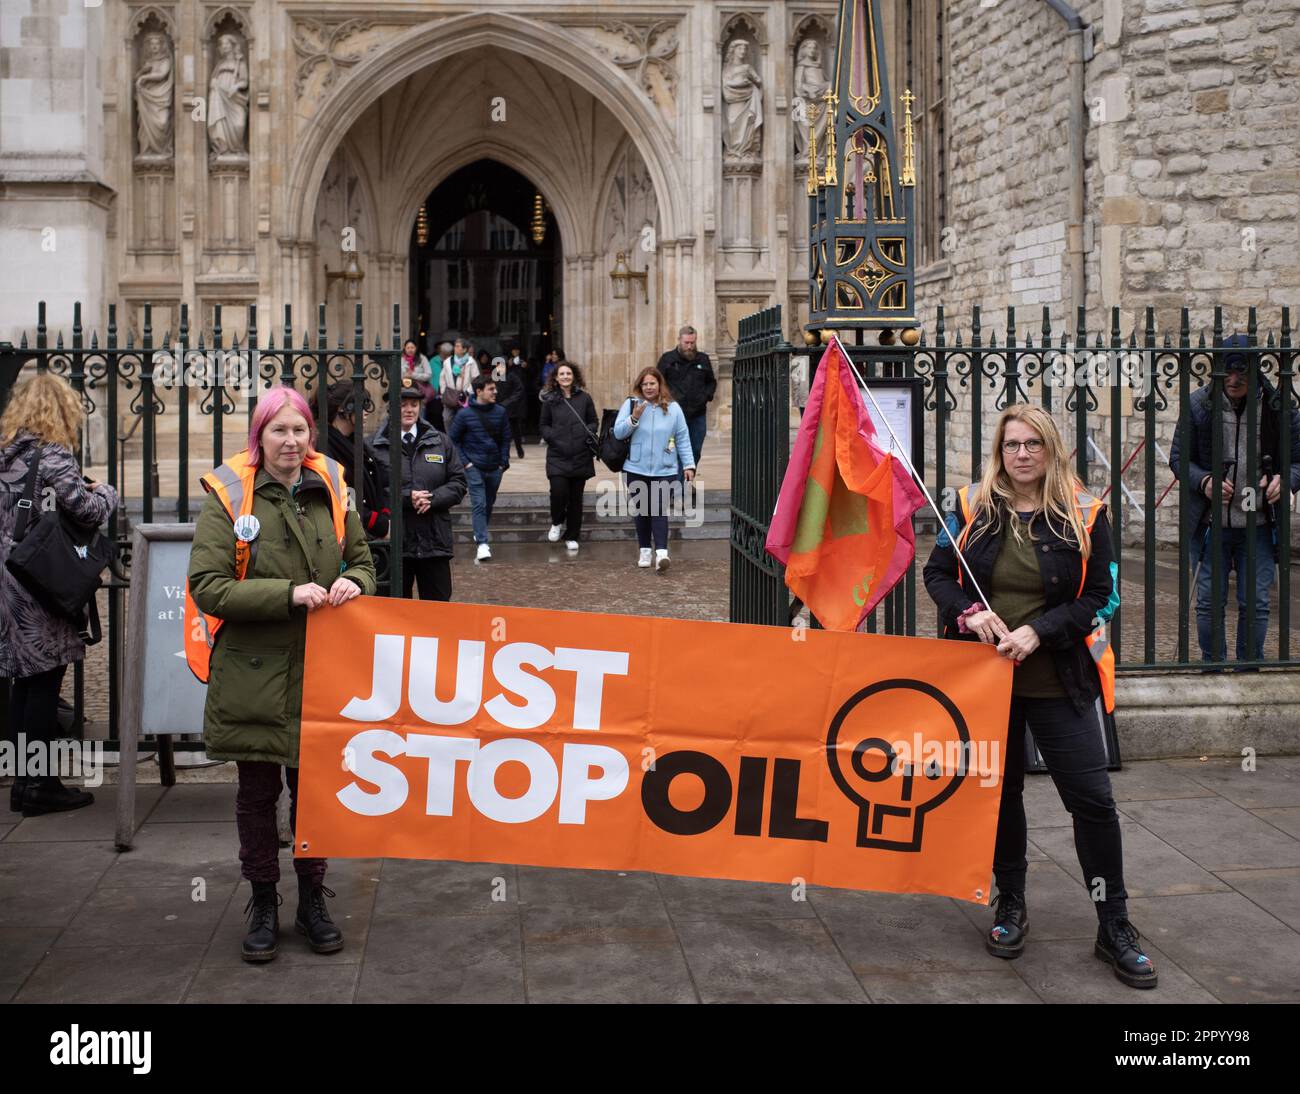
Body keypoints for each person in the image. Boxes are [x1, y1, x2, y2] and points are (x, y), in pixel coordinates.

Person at [923, 404, 1155, 990]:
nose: (1020, 454)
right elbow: (938, 574)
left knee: (1093, 802)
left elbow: (1102, 596)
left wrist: (1041, 630)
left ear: (1051, 449)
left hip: (1060, 680)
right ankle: (1011, 904)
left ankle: (1114, 923)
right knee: (1002, 798)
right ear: (998, 452)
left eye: (1032, 444)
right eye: (1010, 445)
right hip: (986, 682)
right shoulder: (971, 506)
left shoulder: (1082, 511)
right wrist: (969, 612)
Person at [187, 386, 376, 962]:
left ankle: (313, 900)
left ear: (309, 436)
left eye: (299, 431)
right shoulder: (231, 497)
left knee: (314, 795)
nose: (290, 441)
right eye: (279, 431)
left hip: (322, 670)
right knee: (257, 794)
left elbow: (365, 561)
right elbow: (208, 586)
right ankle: (264, 900)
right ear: (259, 437)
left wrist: (357, 583)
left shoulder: (331, 488)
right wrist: (288, 594)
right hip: (255, 673)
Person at [1, 374, 118, 816]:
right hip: (39, 586)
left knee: (23, 684)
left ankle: (22, 783)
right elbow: (87, 509)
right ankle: (42, 786)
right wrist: (104, 490)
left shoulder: (5, 455)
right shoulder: (51, 454)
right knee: (46, 681)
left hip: (7, 581)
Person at [1169, 333, 1300, 664]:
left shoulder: (1279, 409)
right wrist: (1205, 482)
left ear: (1257, 371)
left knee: (1255, 601)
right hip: (1210, 522)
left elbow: (1298, 460)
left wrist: (1286, 480)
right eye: (1227, 371)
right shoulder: (1199, 404)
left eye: (1242, 372)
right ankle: (1213, 667)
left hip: (1260, 523)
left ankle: (1248, 667)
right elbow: (1179, 458)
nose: (1233, 379)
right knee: (1209, 601)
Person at [372, 378, 466, 601]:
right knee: (394, 613)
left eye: (413, 404)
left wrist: (433, 498)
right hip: (395, 543)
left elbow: (459, 482)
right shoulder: (374, 446)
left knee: (437, 610)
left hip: (434, 541)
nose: (408, 409)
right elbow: (371, 492)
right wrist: (406, 498)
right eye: (403, 404)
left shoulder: (440, 441)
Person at [613, 367, 694, 572]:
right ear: (640, 386)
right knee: (642, 510)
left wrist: (689, 465)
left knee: (658, 509)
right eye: (645, 384)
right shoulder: (631, 404)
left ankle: (662, 555)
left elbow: (682, 438)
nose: (649, 387)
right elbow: (618, 433)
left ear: (660, 385)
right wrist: (634, 418)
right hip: (636, 467)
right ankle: (645, 550)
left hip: (664, 468)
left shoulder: (673, 408)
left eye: (652, 383)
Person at [315, 381, 390, 540]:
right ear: (343, 410)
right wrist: (378, 524)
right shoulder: (325, 446)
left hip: (367, 535)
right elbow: (340, 497)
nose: (366, 412)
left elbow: (379, 480)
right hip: (346, 535)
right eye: (360, 406)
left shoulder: (355, 442)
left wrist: (384, 514)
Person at [449, 374, 512, 562]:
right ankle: (482, 544)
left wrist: (503, 463)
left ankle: (480, 531)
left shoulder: (500, 412)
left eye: (495, 388)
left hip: (495, 467)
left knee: (489, 502)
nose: (495, 392)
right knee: (479, 503)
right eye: (491, 389)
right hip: (473, 466)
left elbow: (505, 439)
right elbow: (453, 440)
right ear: (479, 392)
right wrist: (466, 463)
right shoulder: (464, 414)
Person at [540, 362, 599, 553]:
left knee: (576, 499)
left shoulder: (585, 398)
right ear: (556, 378)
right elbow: (544, 425)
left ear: (574, 376)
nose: (565, 376)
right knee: (558, 492)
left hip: (580, 455)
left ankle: (572, 535)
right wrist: (553, 437)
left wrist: (586, 434)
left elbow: (593, 421)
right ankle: (557, 521)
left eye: (568, 373)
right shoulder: (550, 400)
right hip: (558, 455)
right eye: (561, 373)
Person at [657, 325, 716, 477]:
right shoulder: (667, 359)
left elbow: (711, 382)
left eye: (692, 343)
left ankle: (684, 482)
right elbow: (658, 382)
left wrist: (706, 396)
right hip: (673, 415)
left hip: (697, 415)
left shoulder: (703, 359)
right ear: (679, 340)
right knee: (673, 450)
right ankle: (676, 486)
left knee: (695, 449)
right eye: (686, 343)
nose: (689, 346)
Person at [440, 338, 479, 429]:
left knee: (464, 420)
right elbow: (442, 377)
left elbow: (475, 379)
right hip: (450, 395)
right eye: (455, 346)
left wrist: (468, 391)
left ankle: (461, 440)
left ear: (464, 349)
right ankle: (451, 440)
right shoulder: (448, 361)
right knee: (447, 419)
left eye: (458, 346)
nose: (455, 348)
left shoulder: (471, 362)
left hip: (464, 396)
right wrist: (443, 392)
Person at [499, 353, 528, 457]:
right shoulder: (496, 377)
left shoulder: (512, 376)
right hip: (500, 408)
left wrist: (511, 401)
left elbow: (519, 390)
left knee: (515, 431)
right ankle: (505, 452)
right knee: (503, 432)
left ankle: (519, 450)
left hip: (511, 408)